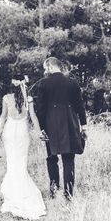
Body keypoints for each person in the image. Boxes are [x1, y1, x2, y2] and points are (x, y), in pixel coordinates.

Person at [32, 57, 87, 200]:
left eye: (45, 68)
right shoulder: (72, 83)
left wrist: (41, 129)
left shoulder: (43, 84)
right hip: (70, 124)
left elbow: (41, 109)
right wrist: (84, 127)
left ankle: (54, 191)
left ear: (50, 67)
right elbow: (80, 107)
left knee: (51, 158)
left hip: (50, 126)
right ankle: (68, 195)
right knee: (68, 159)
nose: (45, 71)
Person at [0, 74, 46, 220]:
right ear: (24, 85)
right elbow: (33, 117)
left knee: (12, 164)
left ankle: (12, 195)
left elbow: (3, 117)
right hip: (22, 134)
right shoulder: (28, 99)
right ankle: (22, 193)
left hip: (9, 133)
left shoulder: (6, 98)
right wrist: (40, 133)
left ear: (11, 85)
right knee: (21, 165)